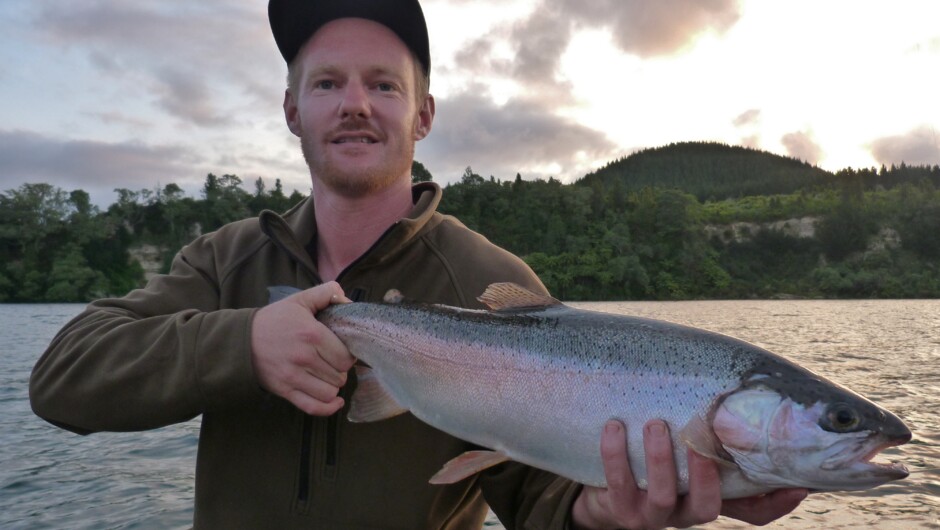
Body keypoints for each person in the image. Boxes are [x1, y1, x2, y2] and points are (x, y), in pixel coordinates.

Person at [30, 0, 807, 528]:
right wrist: (243, 345)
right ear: (292, 109)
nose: (355, 103)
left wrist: (598, 513)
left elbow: (540, 500)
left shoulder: (490, 277)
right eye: (327, 83)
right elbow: (62, 381)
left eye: (383, 85)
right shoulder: (223, 259)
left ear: (423, 114)